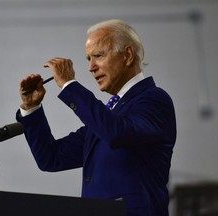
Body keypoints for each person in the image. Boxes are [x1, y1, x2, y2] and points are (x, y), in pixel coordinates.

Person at [16, 19, 176, 216]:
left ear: (127, 55)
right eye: (89, 59)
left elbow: (117, 133)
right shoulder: (110, 115)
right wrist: (32, 109)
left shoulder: (153, 99)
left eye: (98, 56)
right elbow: (51, 158)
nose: (91, 67)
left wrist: (69, 86)